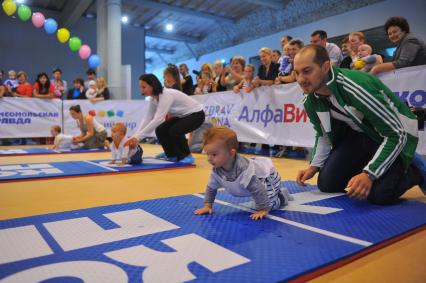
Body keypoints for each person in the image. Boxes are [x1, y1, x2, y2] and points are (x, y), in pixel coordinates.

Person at [293, 44, 425, 204]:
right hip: (361, 136)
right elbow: (323, 135)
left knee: (378, 195)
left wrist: (369, 174)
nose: (300, 79)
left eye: (307, 71)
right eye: (297, 73)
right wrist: (313, 167)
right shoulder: (310, 99)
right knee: (327, 184)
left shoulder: (355, 86)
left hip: (396, 135)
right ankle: (374, 164)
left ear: (326, 67)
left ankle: (414, 172)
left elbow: (397, 135)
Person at [193, 127, 292, 220]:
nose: (209, 159)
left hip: (267, 178)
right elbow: (211, 188)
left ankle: (282, 197)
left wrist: (263, 209)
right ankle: (275, 195)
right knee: (259, 199)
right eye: (207, 154)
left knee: (268, 205)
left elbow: (258, 189)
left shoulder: (243, 169)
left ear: (231, 153)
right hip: (254, 185)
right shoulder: (217, 169)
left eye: (214, 154)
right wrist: (207, 205)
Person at [127, 74, 205, 164]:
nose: (141, 90)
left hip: (197, 115)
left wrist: (138, 137)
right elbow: (147, 118)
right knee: (160, 129)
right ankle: (171, 154)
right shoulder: (153, 99)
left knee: (175, 130)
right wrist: (135, 136)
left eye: (144, 87)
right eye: (140, 87)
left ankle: (186, 155)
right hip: (183, 116)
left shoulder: (166, 95)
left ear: (152, 85)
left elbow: (158, 119)